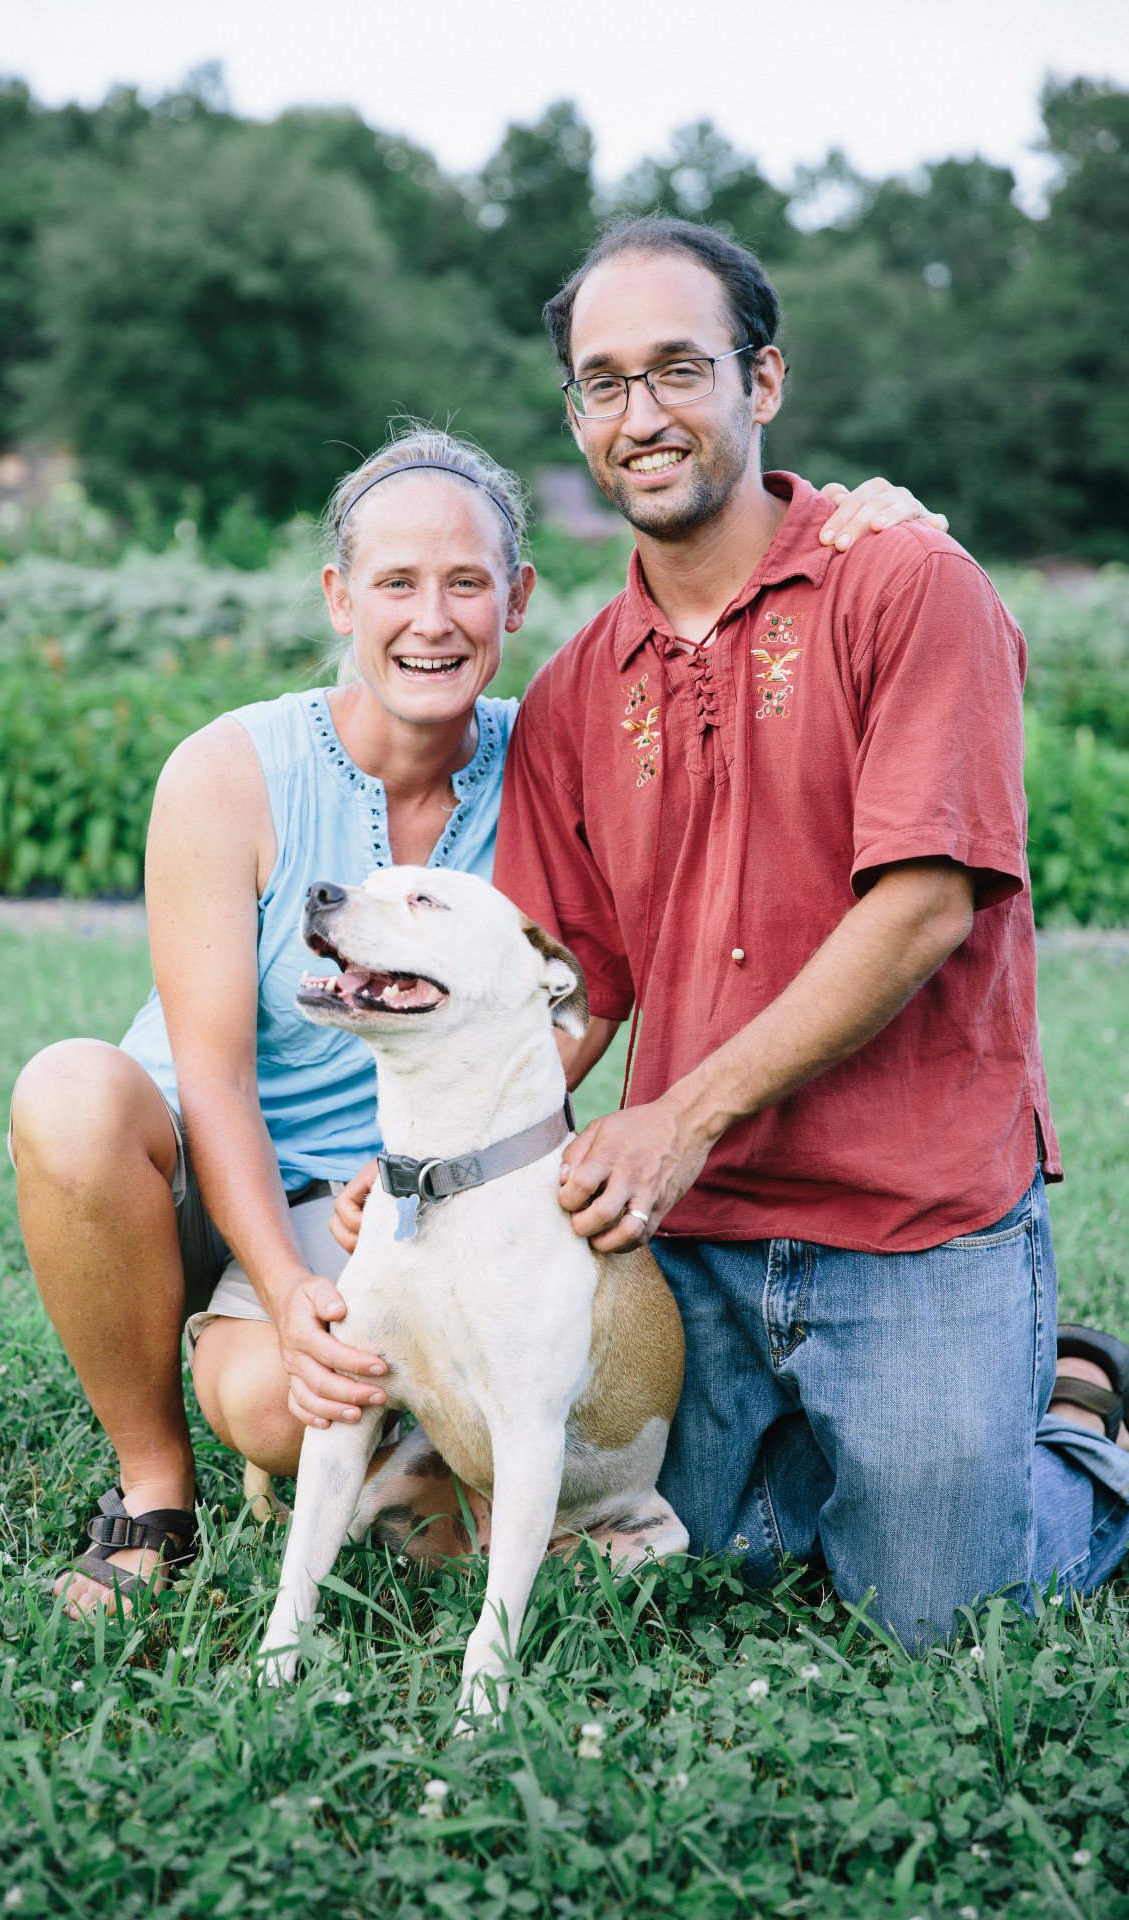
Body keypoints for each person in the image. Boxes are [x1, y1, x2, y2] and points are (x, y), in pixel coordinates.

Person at [10, 421, 939, 1612]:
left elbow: (588, 987)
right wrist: (294, 1298)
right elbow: (218, 1080)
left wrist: (872, 538)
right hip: (208, 1168)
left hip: (418, 1205)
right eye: (395, 582)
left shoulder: (555, 759)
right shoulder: (227, 772)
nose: (431, 618)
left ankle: (425, 1486)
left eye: (466, 583)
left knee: (275, 1412)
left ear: (518, 598)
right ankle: (153, 1494)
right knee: (70, 1095)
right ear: (341, 598)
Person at [488, 215, 1129, 1648]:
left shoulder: (908, 584)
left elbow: (922, 909)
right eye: (603, 383)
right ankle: (882, 1459)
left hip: (913, 1216)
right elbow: (568, 990)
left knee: (938, 1619)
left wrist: (682, 1115)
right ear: (577, 415)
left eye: (678, 370)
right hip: (695, 1240)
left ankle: (1080, 1434)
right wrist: (436, 1175)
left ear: (761, 380)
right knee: (665, 1567)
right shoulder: (574, 693)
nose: (640, 416)